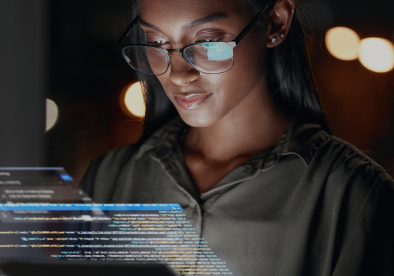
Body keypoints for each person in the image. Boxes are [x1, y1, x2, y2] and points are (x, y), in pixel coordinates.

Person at [80, 0, 394, 274]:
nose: (177, 74)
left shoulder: (354, 196)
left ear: (276, 21)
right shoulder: (106, 181)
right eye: (156, 43)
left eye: (207, 41)